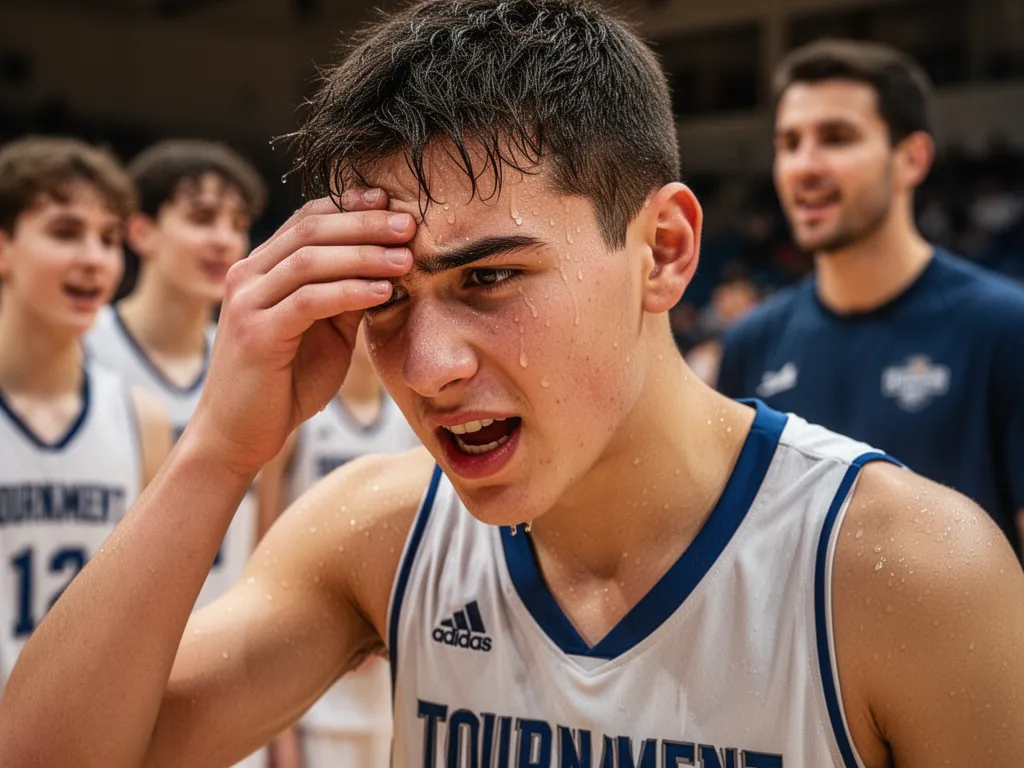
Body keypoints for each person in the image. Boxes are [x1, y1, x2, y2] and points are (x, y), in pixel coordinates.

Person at [3, 4, 1024, 767]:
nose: (427, 365)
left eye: (487, 278)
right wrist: (216, 453)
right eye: (388, 299)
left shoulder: (914, 576)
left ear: (662, 251)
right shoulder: (374, 532)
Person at [716, 39, 1024, 562]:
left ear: (912, 158)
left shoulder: (1005, 327)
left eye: (836, 138)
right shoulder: (751, 343)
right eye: (789, 143)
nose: (804, 166)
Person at [0, 136, 169, 690]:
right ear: (5, 247)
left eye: (108, 238)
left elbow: (147, 613)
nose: (94, 258)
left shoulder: (141, 418)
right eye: (65, 232)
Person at [84, 139, 268, 611]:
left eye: (238, 224)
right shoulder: (84, 349)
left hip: (219, 638)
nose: (225, 239)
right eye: (202, 218)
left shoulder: (258, 357)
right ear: (141, 232)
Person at [259, 327, 418, 768]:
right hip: (308, 691)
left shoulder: (416, 423)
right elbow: (262, 562)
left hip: (391, 693)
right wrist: (280, 735)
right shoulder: (300, 421)